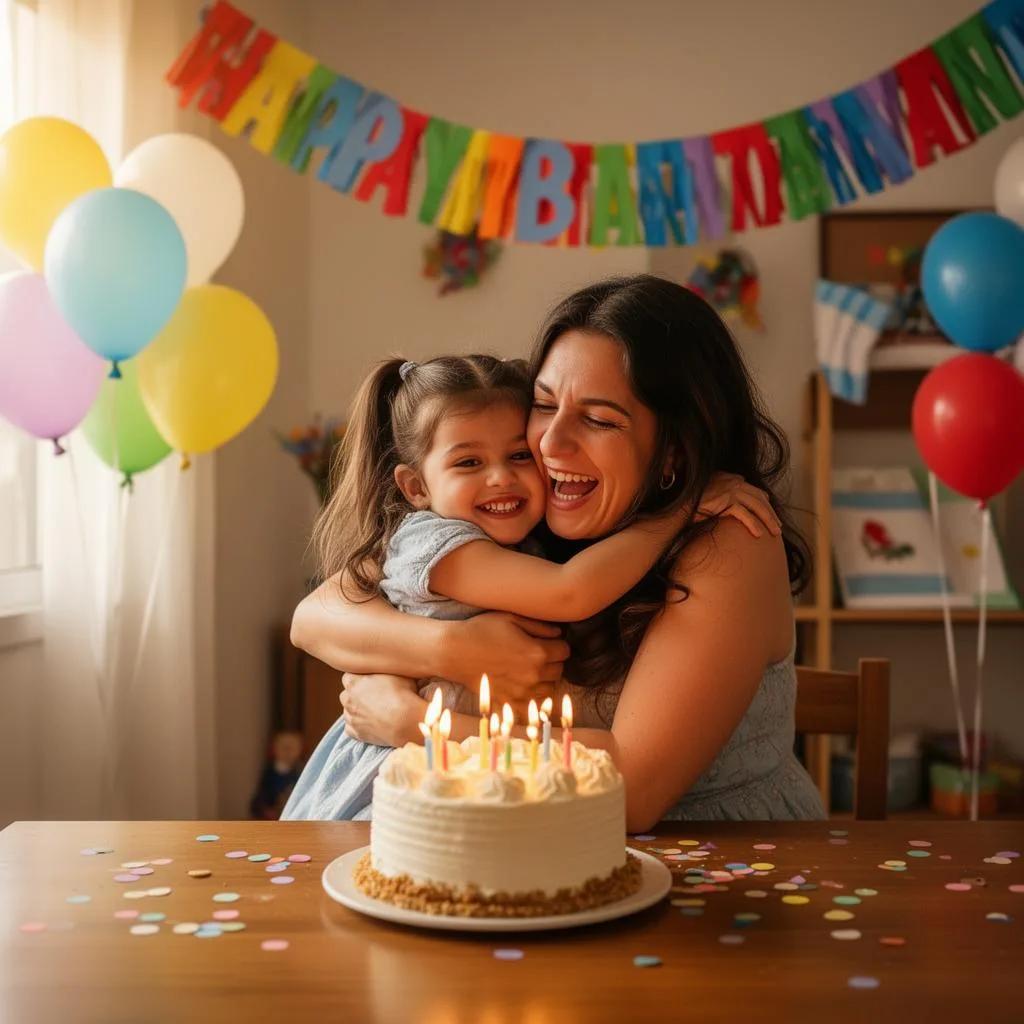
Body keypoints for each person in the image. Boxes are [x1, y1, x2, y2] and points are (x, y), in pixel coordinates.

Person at [291, 275, 826, 828]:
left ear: (674, 450)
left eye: (598, 420)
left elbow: (634, 791)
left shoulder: (730, 536)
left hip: (721, 861)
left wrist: (414, 722)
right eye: (544, 406)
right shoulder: (527, 508)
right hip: (535, 849)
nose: (549, 445)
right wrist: (452, 649)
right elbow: (315, 617)